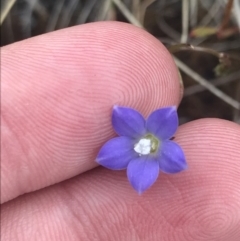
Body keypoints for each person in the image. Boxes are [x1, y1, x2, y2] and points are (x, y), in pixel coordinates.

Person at [1, 22, 240, 241]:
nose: (147, 145)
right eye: (149, 143)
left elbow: (170, 133)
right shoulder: (126, 127)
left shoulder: (167, 132)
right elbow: (107, 154)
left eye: (151, 143)